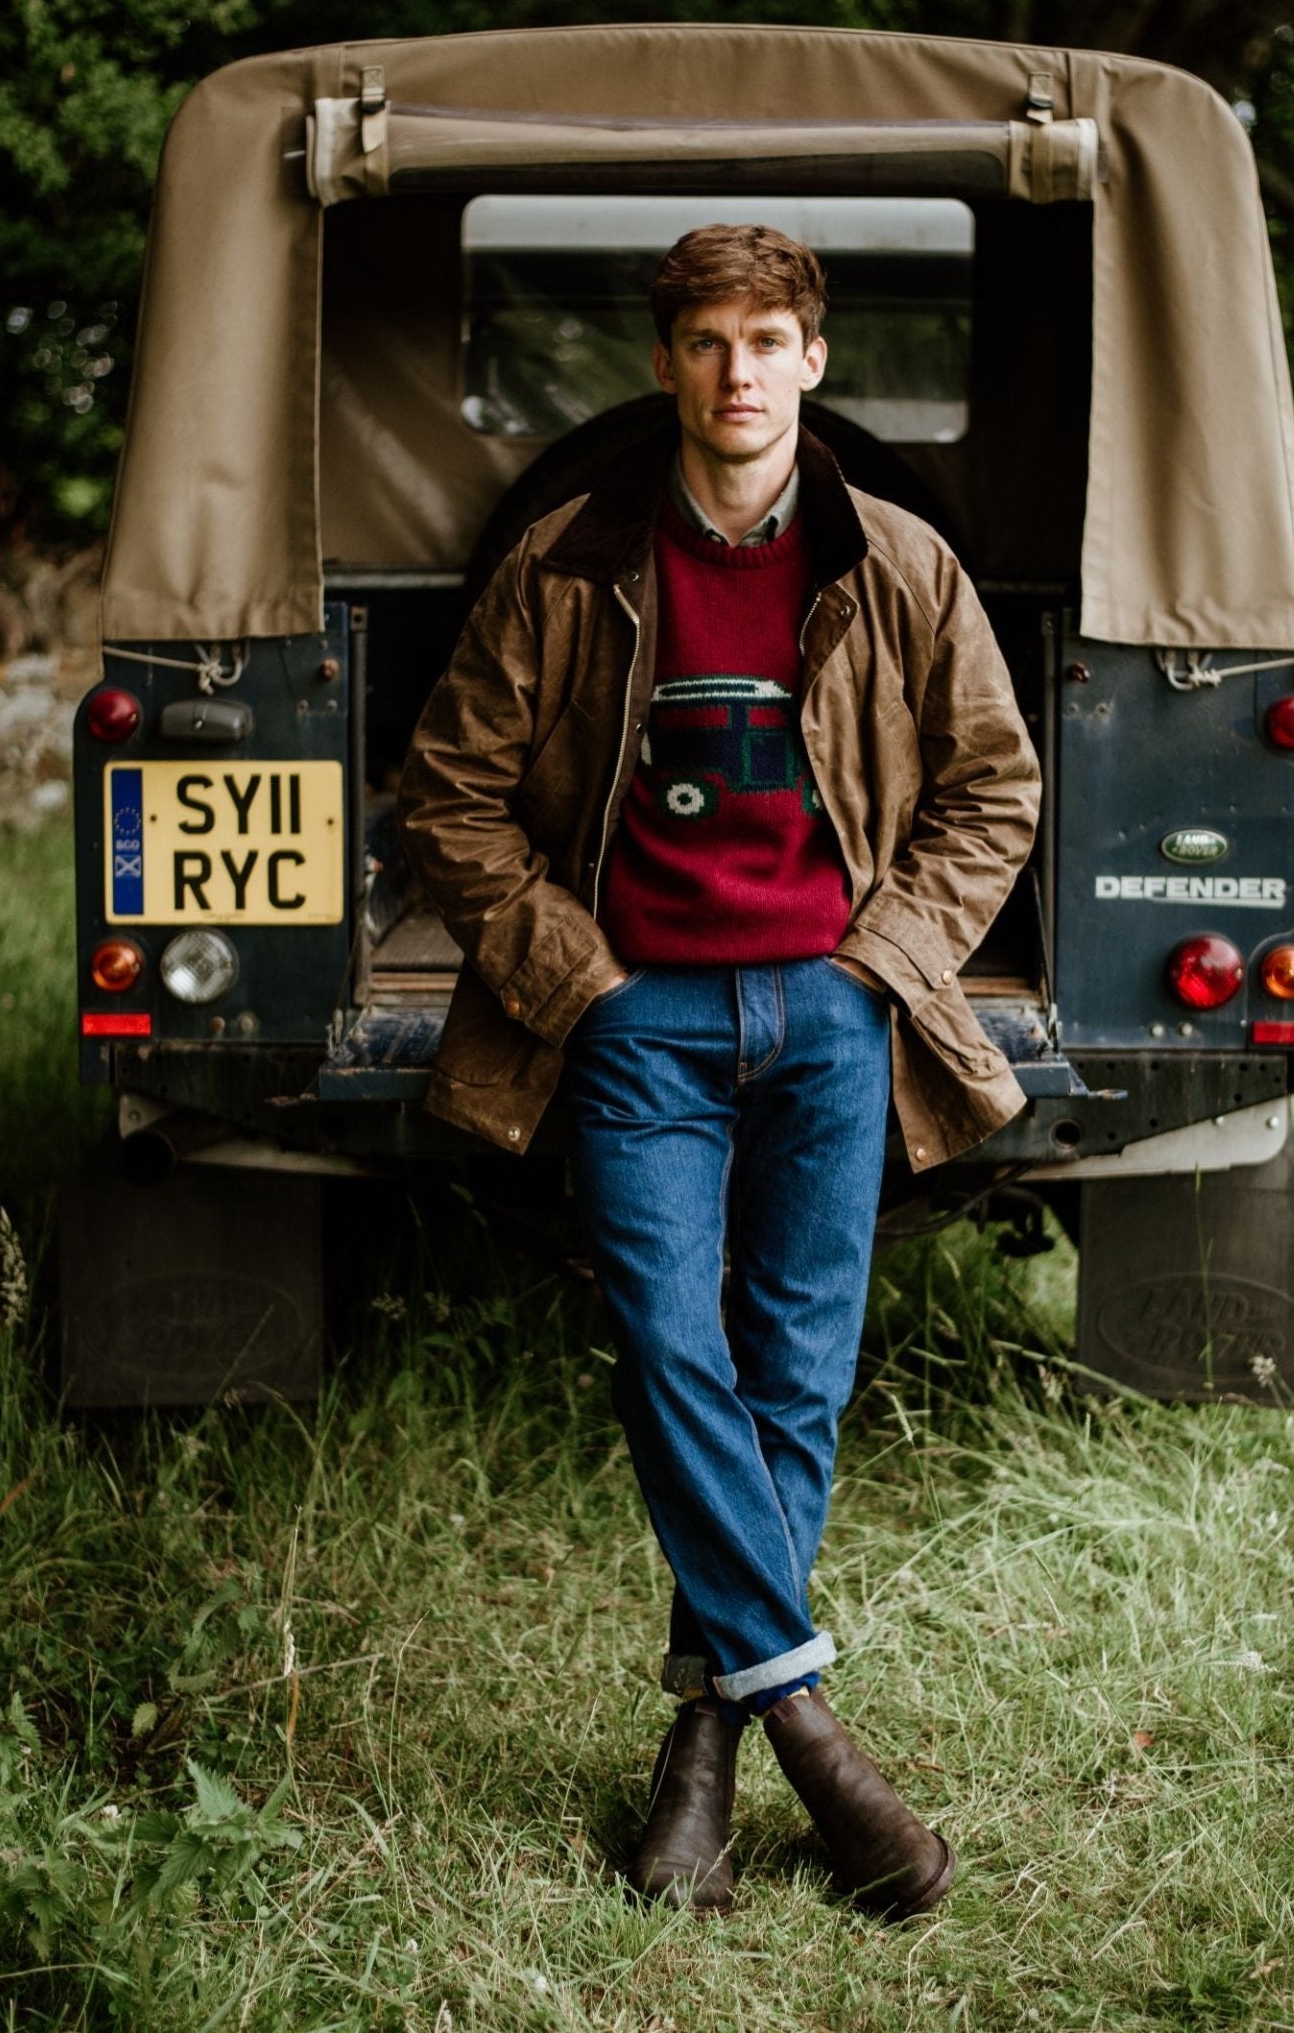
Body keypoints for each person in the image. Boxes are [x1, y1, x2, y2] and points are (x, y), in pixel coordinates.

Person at [398, 224, 1040, 1918]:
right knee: (672, 1350)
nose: (738, 371)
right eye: (705, 342)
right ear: (666, 364)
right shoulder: (564, 561)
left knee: (794, 1380)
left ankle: (706, 1750)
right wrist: (580, 981)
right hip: (636, 1027)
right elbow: (446, 795)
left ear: (815, 361)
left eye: (769, 339)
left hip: (830, 1021)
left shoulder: (895, 561)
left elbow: (997, 789)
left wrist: (878, 969)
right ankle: (821, 1744)